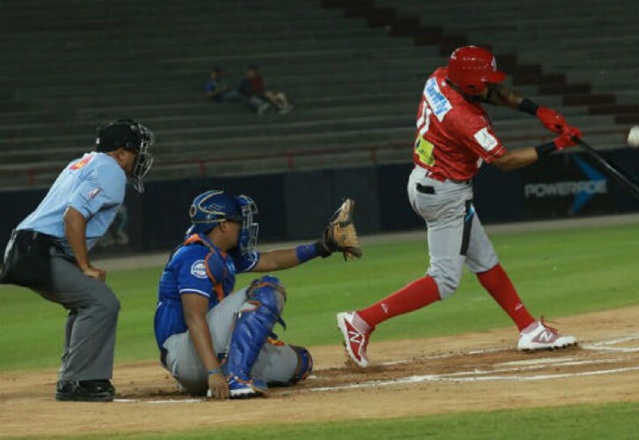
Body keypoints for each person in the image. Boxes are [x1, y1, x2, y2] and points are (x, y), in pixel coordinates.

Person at [336, 46, 581, 368]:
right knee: (444, 280)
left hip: (433, 182)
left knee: (485, 260)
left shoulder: (440, 77)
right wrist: (556, 145)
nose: (488, 85)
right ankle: (362, 321)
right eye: (483, 80)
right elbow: (505, 161)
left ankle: (529, 327)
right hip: (444, 193)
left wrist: (538, 111)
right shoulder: (464, 118)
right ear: (468, 83)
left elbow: (495, 92)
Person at [0, 119, 155, 401]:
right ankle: (80, 381)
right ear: (121, 153)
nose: (140, 157)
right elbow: (73, 216)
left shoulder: (83, 162)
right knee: (101, 301)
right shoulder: (111, 171)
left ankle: (74, 378)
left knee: (87, 300)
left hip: (29, 245)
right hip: (38, 250)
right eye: (137, 150)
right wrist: (84, 267)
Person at [154, 192, 359, 399]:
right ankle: (236, 377)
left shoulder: (221, 253)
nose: (242, 228)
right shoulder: (194, 256)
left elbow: (272, 260)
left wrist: (322, 246)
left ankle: (227, 369)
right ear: (222, 225)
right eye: (237, 222)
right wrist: (213, 371)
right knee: (268, 289)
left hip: (204, 353)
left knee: (300, 362)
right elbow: (193, 316)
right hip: (185, 351)